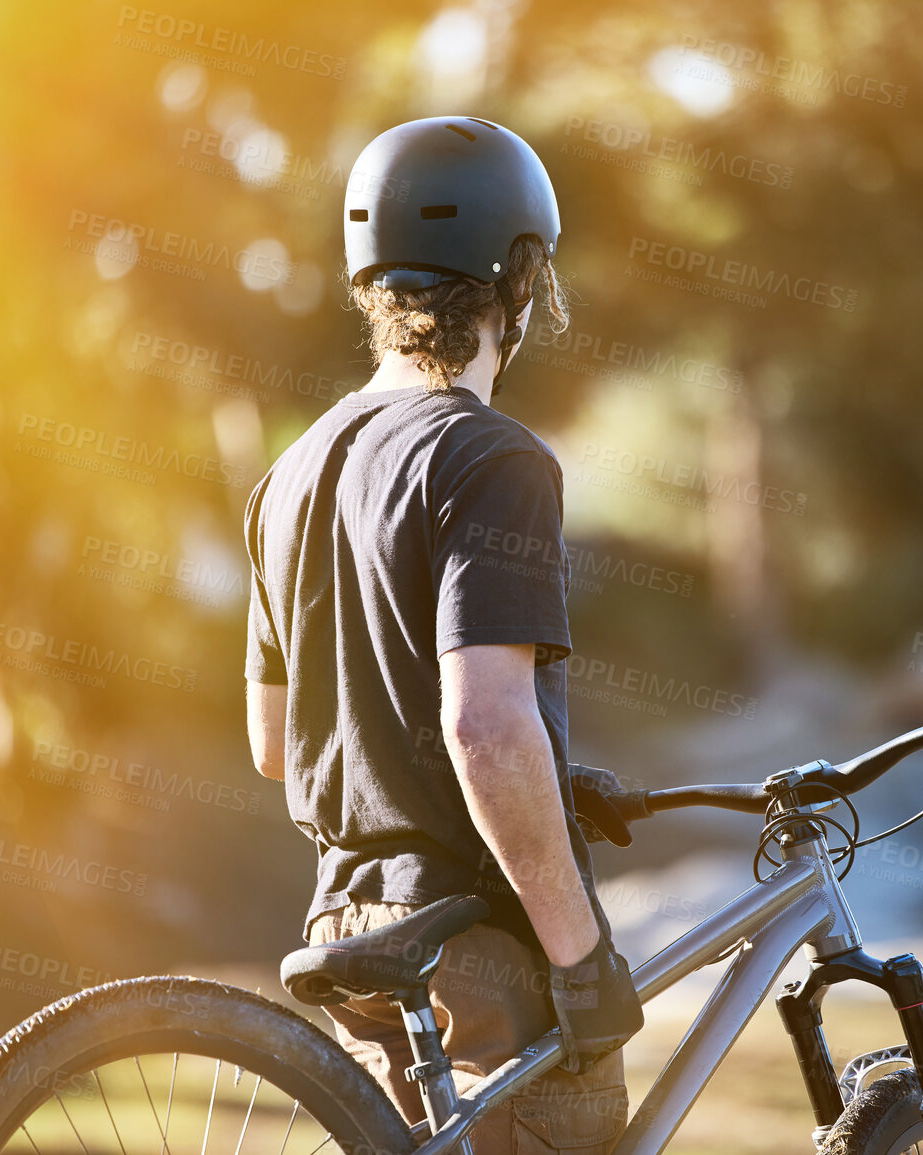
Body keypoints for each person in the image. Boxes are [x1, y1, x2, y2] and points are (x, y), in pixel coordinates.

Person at [241, 116, 643, 1154]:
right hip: (476, 956)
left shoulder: (289, 475)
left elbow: (277, 748)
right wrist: (578, 954)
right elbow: (482, 727)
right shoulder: (493, 459)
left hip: (349, 939)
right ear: (520, 276)